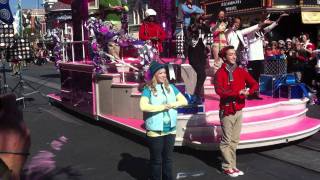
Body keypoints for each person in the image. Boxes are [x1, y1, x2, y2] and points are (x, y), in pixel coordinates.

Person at [214, 46, 258, 177]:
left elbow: (254, 84)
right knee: (226, 141)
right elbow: (220, 91)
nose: (234, 56)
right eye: (230, 54)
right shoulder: (219, 73)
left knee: (234, 140)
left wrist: (248, 91)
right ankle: (227, 166)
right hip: (227, 110)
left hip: (239, 110)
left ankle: (232, 166)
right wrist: (237, 93)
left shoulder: (241, 71)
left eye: (234, 54)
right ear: (224, 57)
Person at [140, 61, 188, 180]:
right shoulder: (148, 89)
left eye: (165, 73)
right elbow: (143, 106)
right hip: (155, 131)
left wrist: (171, 105)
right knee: (156, 160)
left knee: (168, 159)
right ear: (155, 74)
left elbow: (184, 101)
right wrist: (162, 107)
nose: (163, 75)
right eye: (160, 73)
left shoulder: (171, 87)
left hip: (170, 130)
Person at [246, 13, 288, 99]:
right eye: (258, 24)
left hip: (260, 57)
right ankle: (249, 94)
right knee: (250, 78)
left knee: (258, 78)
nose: (260, 26)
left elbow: (272, 26)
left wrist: (279, 18)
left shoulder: (261, 32)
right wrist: (263, 22)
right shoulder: (250, 32)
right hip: (252, 58)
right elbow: (258, 26)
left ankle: (255, 94)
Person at [187, 14, 210, 103]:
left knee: (201, 75)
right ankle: (196, 95)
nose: (201, 21)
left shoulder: (204, 28)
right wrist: (197, 25)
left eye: (202, 19)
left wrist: (204, 24)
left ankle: (197, 94)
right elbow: (190, 35)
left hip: (202, 54)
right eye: (199, 19)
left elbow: (209, 33)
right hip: (193, 54)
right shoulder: (191, 27)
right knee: (202, 74)